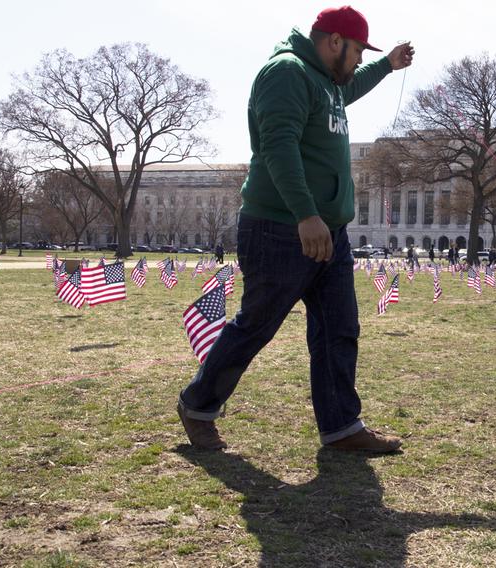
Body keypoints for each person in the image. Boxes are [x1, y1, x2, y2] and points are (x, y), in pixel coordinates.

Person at [176, 6, 414, 453]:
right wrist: (306, 214)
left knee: (339, 329)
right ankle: (197, 405)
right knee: (257, 326)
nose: (361, 59)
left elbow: (353, 84)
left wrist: (389, 63)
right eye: (360, 50)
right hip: (281, 227)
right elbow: (278, 145)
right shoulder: (286, 73)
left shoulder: (329, 84)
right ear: (335, 42)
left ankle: (342, 427)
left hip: (331, 232)